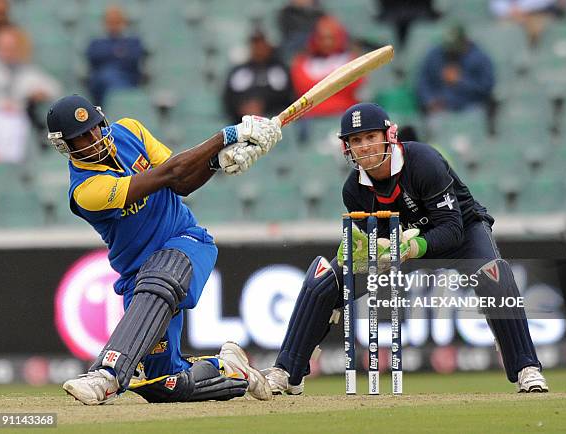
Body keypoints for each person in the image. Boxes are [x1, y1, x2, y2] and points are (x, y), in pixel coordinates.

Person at [261, 102, 548, 394]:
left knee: (494, 274)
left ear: (388, 135)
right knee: (324, 279)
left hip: (460, 233)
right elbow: (382, 242)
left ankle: (527, 367)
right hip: (402, 246)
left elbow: (451, 228)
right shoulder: (353, 190)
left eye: (371, 137)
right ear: (347, 148)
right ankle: (287, 372)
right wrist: (370, 250)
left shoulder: (424, 161)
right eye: (356, 141)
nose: (365, 147)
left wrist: (412, 246)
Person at [46, 94, 282, 404]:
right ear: (66, 147)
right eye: (81, 138)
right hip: (139, 275)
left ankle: (107, 375)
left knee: (161, 275)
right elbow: (169, 174)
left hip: (186, 242)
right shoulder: (87, 191)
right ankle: (230, 369)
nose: (93, 139)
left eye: (94, 128)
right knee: (164, 383)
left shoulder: (130, 129)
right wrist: (227, 137)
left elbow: (181, 183)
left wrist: (215, 163)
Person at [0, 25, 61, 162]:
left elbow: (54, 88)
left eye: (12, 48)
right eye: (4, 48)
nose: (8, 52)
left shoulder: (27, 71)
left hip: (21, 121)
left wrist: (40, 93)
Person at [416, 24, 494, 115]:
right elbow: (423, 81)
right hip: (439, 106)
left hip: (469, 105)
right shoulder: (435, 54)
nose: (451, 51)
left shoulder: (479, 58)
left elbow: (486, 88)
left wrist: (460, 80)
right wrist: (429, 99)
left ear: (465, 42)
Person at [223, 29, 294, 123]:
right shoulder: (239, 71)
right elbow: (229, 98)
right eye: (255, 44)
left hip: (275, 122)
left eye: (261, 43)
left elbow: (288, 96)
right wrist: (242, 107)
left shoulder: (280, 69)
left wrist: (263, 104)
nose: (259, 48)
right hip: (242, 122)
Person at [86, 5, 146, 106]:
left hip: (128, 81)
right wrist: (118, 53)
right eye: (110, 22)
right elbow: (94, 56)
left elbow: (134, 59)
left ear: (124, 22)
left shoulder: (133, 42)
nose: (113, 25)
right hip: (99, 87)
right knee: (106, 76)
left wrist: (109, 54)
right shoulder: (96, 42)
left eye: (117, 22)